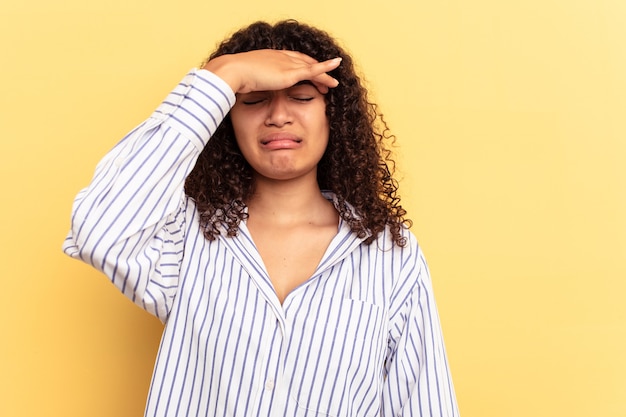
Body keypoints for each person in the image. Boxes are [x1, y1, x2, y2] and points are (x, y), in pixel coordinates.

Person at [63, 19, 459, 417]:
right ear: (226, 119)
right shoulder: (187, 234)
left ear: (333, 116)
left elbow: (422, 401)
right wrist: (224, 76)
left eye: (302, 97)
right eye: (253, 100)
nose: (278, 116)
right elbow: (101, 229)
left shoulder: (389, 251)